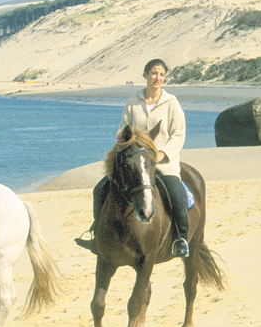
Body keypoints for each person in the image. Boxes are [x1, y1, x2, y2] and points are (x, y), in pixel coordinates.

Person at [77, 59, 190, 258]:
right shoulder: (132, 102)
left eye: (162, 74)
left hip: (163, 163)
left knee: (176, 195)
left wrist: (162, 154)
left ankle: (181, 239)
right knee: (100, 189)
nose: (158, 78)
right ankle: (97, 236)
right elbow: (122, 131)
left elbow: (178, 135)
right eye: (154, 73)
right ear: (145, 74)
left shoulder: (172, 103)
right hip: (135, 164)